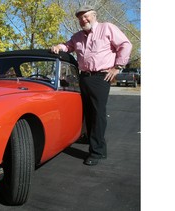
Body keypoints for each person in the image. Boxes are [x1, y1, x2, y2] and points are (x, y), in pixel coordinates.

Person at [50, 5, 132, 166]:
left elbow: (125, 44)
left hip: (101, 76)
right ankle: (90, 139)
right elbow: (68, 46)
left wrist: (118, 67)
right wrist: (59, 47)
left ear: (94, 15)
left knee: (97, 113)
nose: (83, 20)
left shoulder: (107, 28)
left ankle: (98, 151)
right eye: (80, 18)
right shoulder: (77, 36)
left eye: (86, 16)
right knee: (86, 111)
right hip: (84, 77)